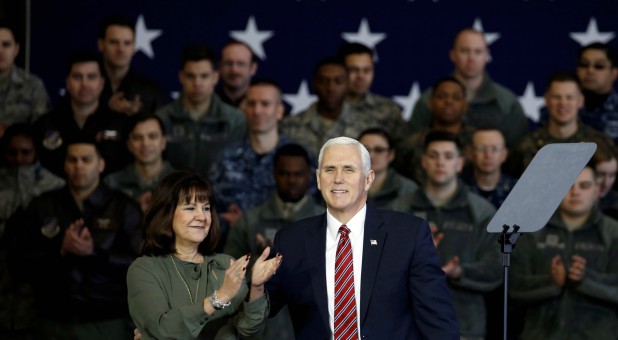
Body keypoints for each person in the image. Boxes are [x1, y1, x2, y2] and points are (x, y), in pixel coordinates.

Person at [265, 136, 459, 339]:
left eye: (349, 169)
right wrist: (255, 285)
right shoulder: (292, 240)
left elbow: (439, 323)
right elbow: (259, 312)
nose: (338, 178)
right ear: (318, 179)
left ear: (368, 179)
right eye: (330, 169)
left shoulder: (409, 234)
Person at [6, 138, 143, 339]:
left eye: (86, 160)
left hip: (107, 321)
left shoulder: (124, 207)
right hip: (52, 321)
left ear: (101, 164)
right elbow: (19, 265)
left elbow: (141, 267)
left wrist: (93, 254)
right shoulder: (43, 205)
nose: (79, 165)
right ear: (65, 165)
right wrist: (59, 251)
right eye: (73, 160)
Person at [126, 170, 282, 339]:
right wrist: (219, 298)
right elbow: (161, 329)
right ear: (166, 214)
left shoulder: (225, 265)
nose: (202, 217)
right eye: (190, 208)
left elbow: (248, 330)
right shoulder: (145, 269)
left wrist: (257, 287)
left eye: (206, 208)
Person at [389, 131, 500, 339]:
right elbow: (378, 267)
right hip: (408, 326)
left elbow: (496, 269)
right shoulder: (400, 209)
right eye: (433, 156)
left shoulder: (481, 212)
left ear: (460, 163)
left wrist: (460, 272)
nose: (441, 162)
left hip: (464, 325)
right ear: (423, 162)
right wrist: (416, 258)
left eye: (448, 157)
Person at [224, 143, 323, 340]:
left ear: (310, 176)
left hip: (311, 325)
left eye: (298, 174)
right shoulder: (249, 221)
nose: (292, 180)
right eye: (285, 174)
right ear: (274, 175)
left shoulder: (326, 221)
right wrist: (259, 263)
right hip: (262, 329)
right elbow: (228, 277)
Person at [510, 165, 618, 339]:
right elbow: (514, 287)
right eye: (568, 186)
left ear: (597, 190)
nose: (575, 192)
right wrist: (552, 283)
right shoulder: (531, 231)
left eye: (584, 186)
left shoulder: (613, 233)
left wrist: (584, 279)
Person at [408, 28, 528, 148]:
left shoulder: (506, 103)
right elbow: (411, 146)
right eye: (464, 51)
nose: (471, 58)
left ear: (487, 55)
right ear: (453, 55)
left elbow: (518, 151)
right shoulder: (429, 99)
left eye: (478, 52)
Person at [34, 50, 132, 178]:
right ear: (68, 82)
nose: (84, 84)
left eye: (91, 77)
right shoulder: (46, 124)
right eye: (77, 77)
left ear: (101, 83)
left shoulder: (121, 123)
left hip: (109, 195)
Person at [208, 79, 290, 226]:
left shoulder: (298, 159)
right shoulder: (226, 158)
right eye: (251, 104)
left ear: (279, 111)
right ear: (244, 109)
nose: (257, 111)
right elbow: (207, 205)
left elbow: (312, 211)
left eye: (265, 104)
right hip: (231, 245)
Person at [156, 44, 246, 175]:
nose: (197, 83)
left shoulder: (235, 120)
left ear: (215, 77)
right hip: (174, 193)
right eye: (190, 76)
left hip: (218, 194)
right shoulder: (162, 119)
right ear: (181, 77)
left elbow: (238, 169)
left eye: (204, 76)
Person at [280, 57, 393, 157]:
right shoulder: (290, 126)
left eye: (338, 81)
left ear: (348, 84)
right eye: (324, 81)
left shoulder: (368, 125)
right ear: (314, 84)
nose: (331, 88)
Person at [513, 72, 615, 176]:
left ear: (580, 100)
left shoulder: (600, 145)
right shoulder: (525, 146)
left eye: (569, 97)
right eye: (557, 97)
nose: (563, 103)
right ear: (547, 100)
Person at [395, 76, 474, 183]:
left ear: (465, 105)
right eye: (441, 97)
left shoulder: (476, 143)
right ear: (431, 103)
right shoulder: (413, 143)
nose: (449, 101)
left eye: (456, 97)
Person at [97, 14, 169, 116]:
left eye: (127, 43)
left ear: (134, 47)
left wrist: (140, 115)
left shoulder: (151, 92)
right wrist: (106, 107)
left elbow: (161, 128)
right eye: (113, 42)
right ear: (101, 45)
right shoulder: (84, 86)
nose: (121, 49)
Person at [104, 113, 175, 212]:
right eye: (137, 137)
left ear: (163, 142)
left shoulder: (182, 183)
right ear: (129, 144)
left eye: (152, 136)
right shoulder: (111, 183)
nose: (145, 143)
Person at [336, 42, 405, 144]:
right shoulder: (325, 109)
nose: (361, 76)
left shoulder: (390, 111)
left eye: (367, 70)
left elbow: (402, 154)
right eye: (353, 70)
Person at [0, 22, 50, 136]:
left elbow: (42, 129)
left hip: (18, 151)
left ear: (16, 49)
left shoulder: (33, 85)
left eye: (6, 45)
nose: (0, 51)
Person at [358, 128, 417, 208]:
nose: (371, 155)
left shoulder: (408, 190)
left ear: (391, 155)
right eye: (365, 149)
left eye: (379, 150)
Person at [463, 126, 517, 208]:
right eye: (481, 149)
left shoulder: (518, 190)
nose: (488, 155)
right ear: (470, 153)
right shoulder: (457, 189)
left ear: (504, 154)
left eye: (494, 149)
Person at [576, 42, 618, 143]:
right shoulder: (561, 108)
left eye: (599, 66)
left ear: (613, 73)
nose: (590, 71)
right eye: (584, 65)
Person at [215, 40, 257, 107]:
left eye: (241, 64)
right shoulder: (206, 104)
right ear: (219, 67)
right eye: (228, 63)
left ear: (253, 68)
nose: (234, 70)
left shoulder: (262, 108)